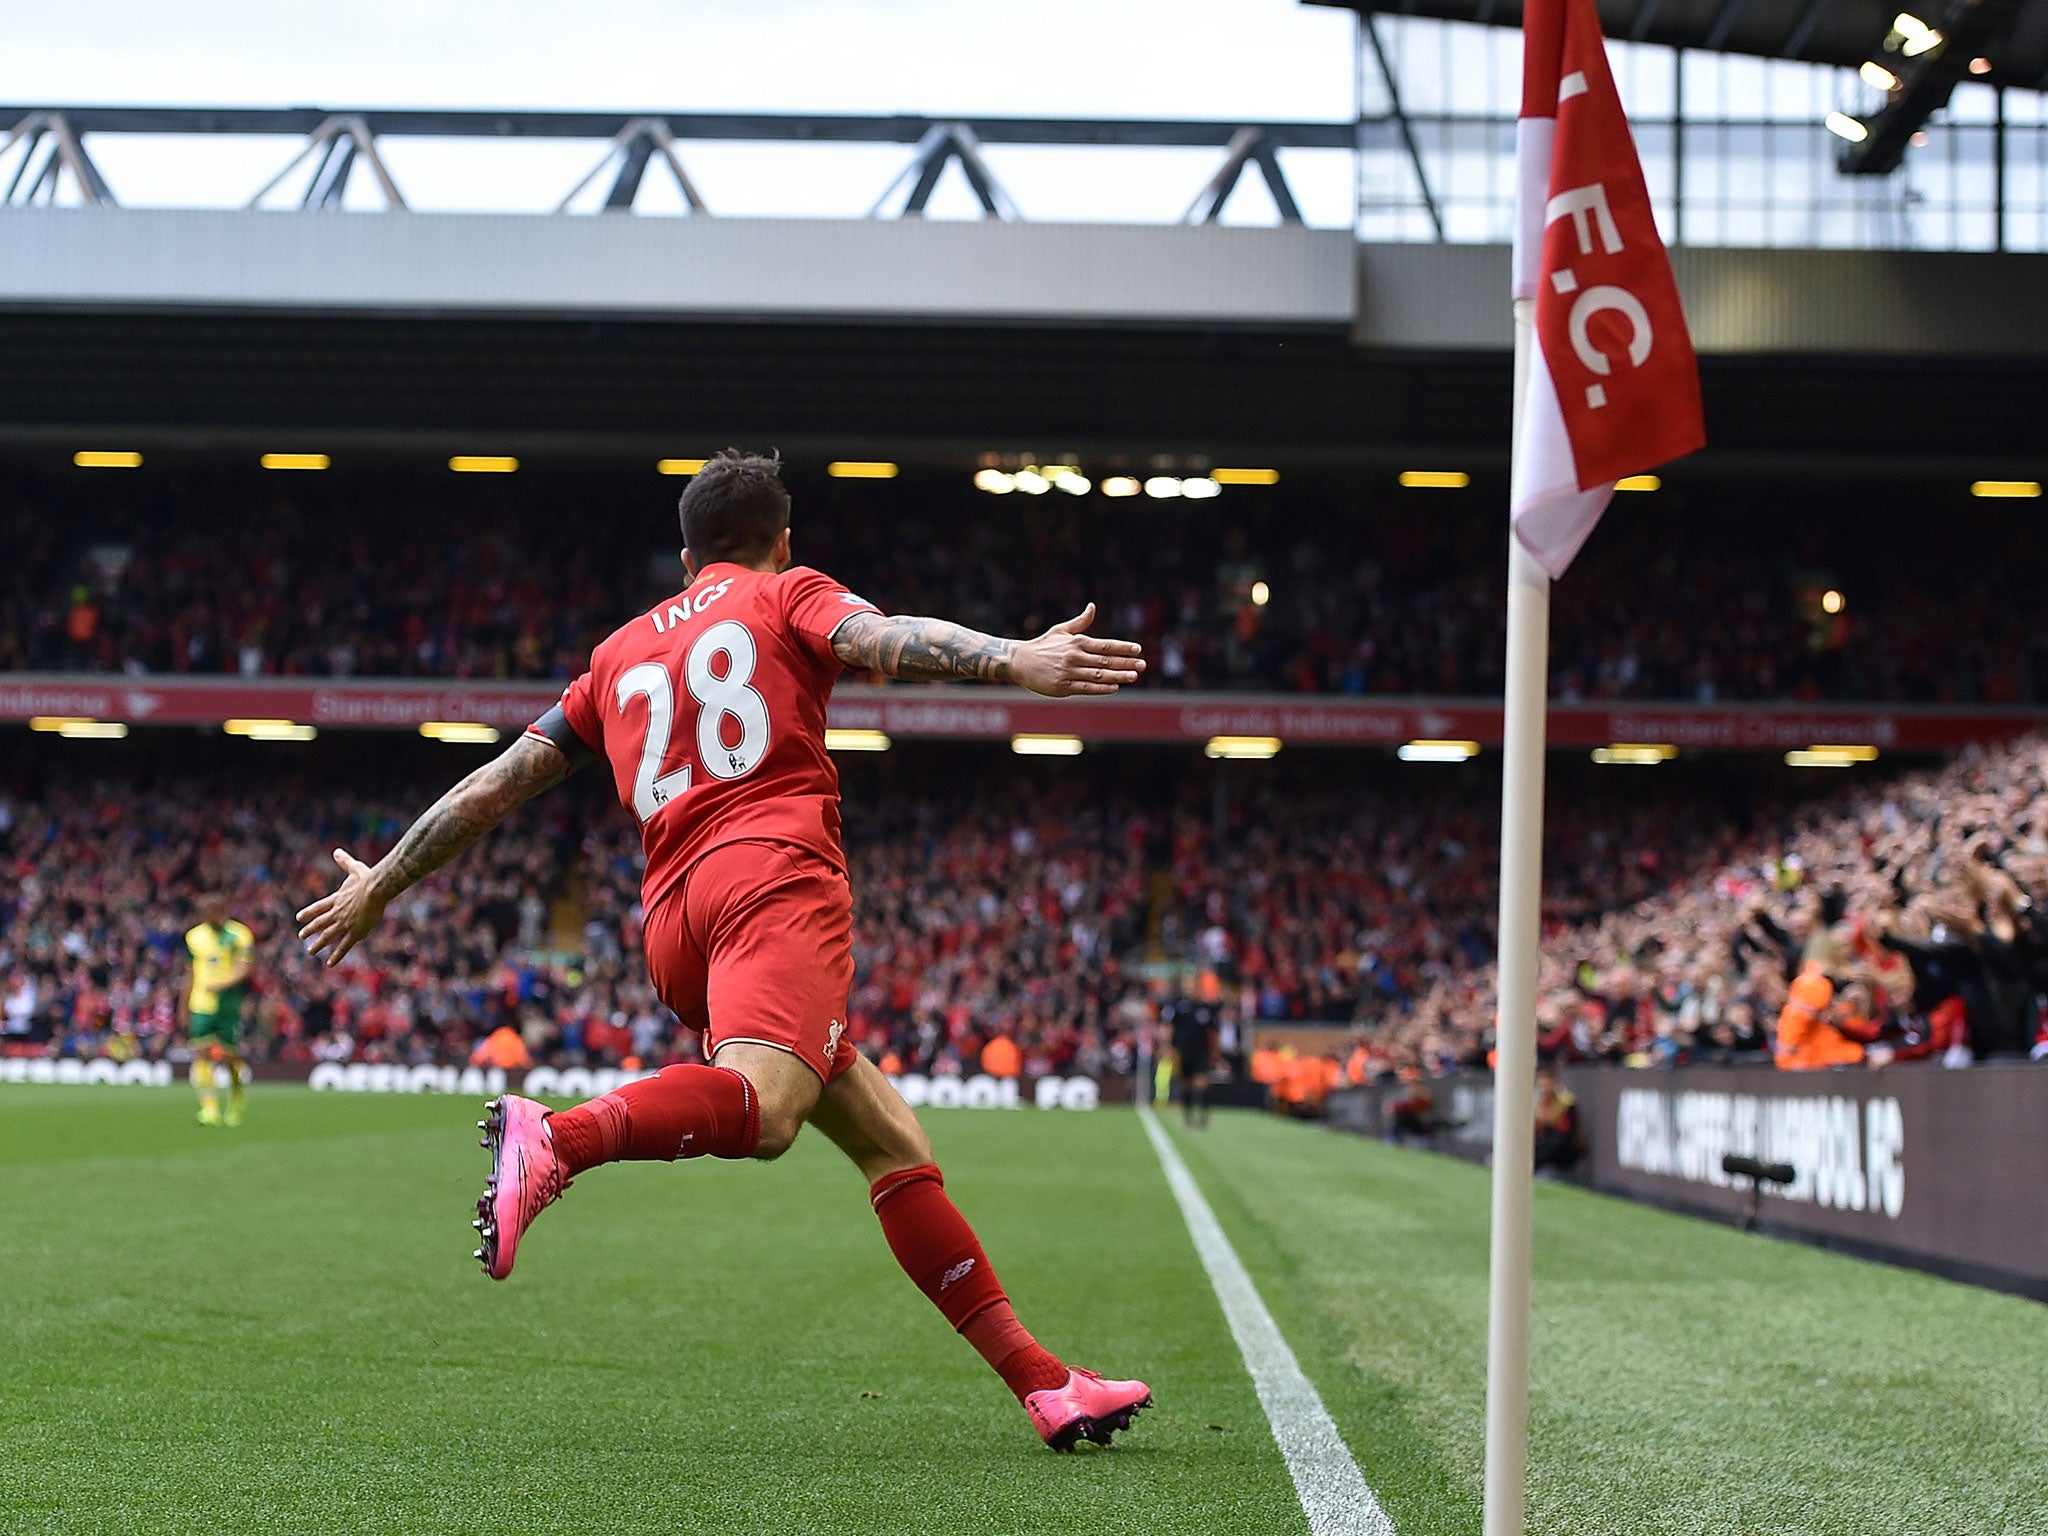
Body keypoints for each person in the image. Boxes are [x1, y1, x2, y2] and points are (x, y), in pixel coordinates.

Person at [296, 450, 1152, 1452]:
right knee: (770, 1112)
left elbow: (497, 783)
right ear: (781, 540)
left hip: (674, 925)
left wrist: (380, 883)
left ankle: (1044, 1384)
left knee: (892, 1147)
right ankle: (557, 1139)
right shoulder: (789, 592)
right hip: (772, 880)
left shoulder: (616, 656)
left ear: (684, 552)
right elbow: (879, 638)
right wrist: (1016, 659)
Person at [185, 893, 254, 1127]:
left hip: (228, 1005)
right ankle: (210, 1109)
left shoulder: (239, 935)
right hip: (201, 1003)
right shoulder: (194, 937)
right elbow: (190, 972)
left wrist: (221, 985)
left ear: (221, 911)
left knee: (229, 1058)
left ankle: (236, 1099)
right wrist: (182, 1005)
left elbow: (244, 969)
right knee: (201, 1053)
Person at [1161, 989, 1217, 1129]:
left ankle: (1203, 1115)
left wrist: (1215, 1052)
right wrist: (1167, 1045)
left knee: (1201, 1082)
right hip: (1183, 1052)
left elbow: (1213, 1031)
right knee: (1186, 1084)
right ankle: (1188, 1116)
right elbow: (1168, 1026)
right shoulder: (1177, 1007)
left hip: (1201, 1052)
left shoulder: (1204, 1008)